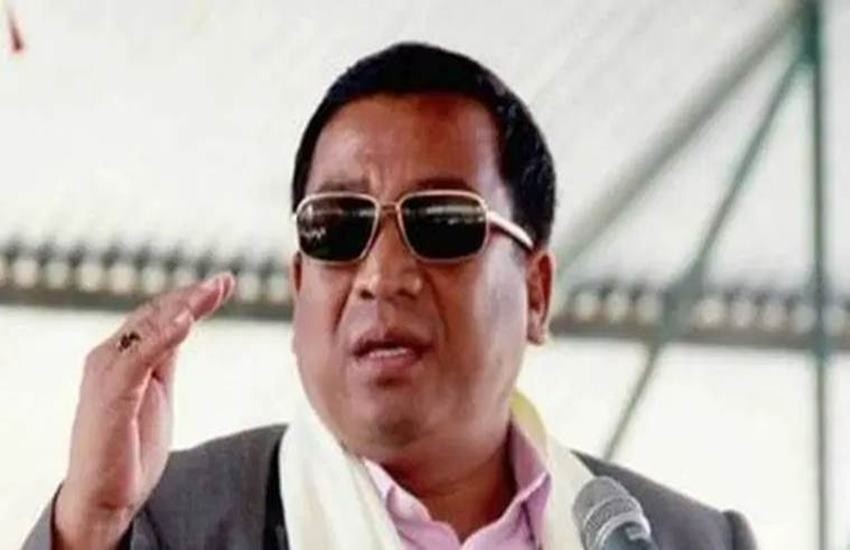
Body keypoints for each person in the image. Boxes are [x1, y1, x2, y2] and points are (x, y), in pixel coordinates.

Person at [24, 42, 756, 550]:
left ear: (537, 293)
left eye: (442, 224)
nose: (381, 274)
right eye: (338, 227)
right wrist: (89, 528)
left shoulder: (681, 540)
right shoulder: (166, 526)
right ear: (300, 286)